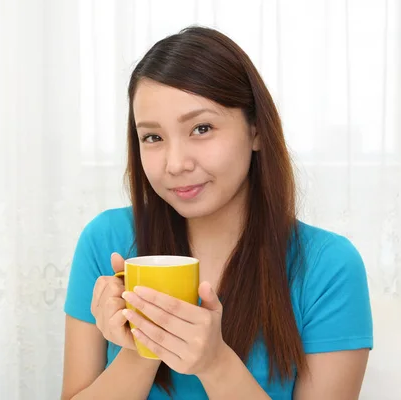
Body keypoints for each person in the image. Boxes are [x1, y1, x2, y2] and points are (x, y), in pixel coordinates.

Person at [61, 26, 373, 400]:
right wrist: (140, 348)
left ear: (256, 130)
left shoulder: (329, 266)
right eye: (153, 137)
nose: (175, 164)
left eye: (202, 128)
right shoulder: (105, 241)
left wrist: (214, 363)